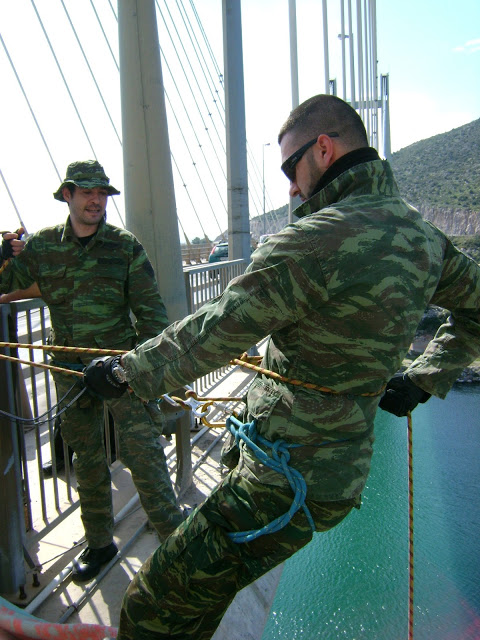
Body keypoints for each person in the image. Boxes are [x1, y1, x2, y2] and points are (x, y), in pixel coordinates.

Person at [84, 95, 480, 640]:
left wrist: (127, 373)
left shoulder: (315, 239)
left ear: (324, 148)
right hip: (338, 476)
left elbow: (216, 331)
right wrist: (422, 377)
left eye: (290, 168)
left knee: (152, 605)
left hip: (280, 479)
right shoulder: (422, 236)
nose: (292, 188)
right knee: (204, 595)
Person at [0, 160, 185, 582]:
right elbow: (4, 280)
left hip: (120, 372)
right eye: (86, 192)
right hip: (69, 373)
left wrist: (138, 367)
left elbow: (152, 314)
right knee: (87, 459)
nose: (96, 200)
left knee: (145, 454)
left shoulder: (124, 247)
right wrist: (1, 255)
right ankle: (100, 544)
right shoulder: (44, 248)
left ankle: (176, 545)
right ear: (68, 195)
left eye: (101, 193)